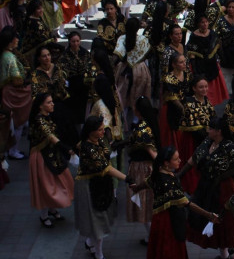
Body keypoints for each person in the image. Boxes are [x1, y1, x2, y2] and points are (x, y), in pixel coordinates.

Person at [129, 146, 220, 259]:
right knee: (170, 251)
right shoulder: (167, 182)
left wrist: (136, 188)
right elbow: (187, 203)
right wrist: (209, 215)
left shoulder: (158, 174)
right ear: (167, 163)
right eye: (176, 159)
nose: (180, 160)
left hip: (159, 219)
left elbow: (146, 183)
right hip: (169, 223)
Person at [176, 117, 234, 259]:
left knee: (223, 221)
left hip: (223, 190)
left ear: (218, 131)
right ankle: (225, 252)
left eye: (210, 128)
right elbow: (194, 158)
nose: (207, 130)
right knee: (207, 218)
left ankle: (226, 254)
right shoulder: (207, 142)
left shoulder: (229, 147)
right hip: (205, 188)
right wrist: (179, 174)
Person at [75, 115, 133, 259]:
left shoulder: (99, 140)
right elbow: (106, 168)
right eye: (100, 129)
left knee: (100, 219)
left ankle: (90, 242)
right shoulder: (87, 148)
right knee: (98, 220)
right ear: (91, 131)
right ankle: (98, 253)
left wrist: (122, 143)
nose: (103, 131)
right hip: (90, 187)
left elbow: (108, 151)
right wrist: (126, 178)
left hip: (102, 185)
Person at [28, 93, 75, 228]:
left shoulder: (48, 117)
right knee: (46, 186)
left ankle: (52, 209)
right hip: (41, 157)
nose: (52, 104)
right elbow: (50, 136)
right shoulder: (39, 120)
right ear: (41, 106)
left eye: (52, 101)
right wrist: (67, 149)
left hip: (52, 154)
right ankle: (44, 215)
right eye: (49, 102)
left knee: (55, 182)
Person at [125, 96, 158, 244]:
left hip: (142, 170)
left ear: (137, 111)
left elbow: (153, 154)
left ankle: (152, 237)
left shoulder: (142, 129)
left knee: (144, 205)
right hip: (149, 168)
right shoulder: (152, 122)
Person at [30, 46, 78, 147]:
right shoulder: (35, 75)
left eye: (48, 55)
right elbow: (36, 94)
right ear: (39, 58)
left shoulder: (57, 68)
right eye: (44, 56)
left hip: (60, 104)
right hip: (46, 108)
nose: (47, 58)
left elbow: (63, 87)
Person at [113, 17, 152, 131]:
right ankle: (136, 121)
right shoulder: (143, 39)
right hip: (140, 70)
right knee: (139, 95)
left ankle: (122, 123)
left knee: (122, 96)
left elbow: (117, 56)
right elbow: (148, 54)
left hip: (123, 70)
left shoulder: (122, 38)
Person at [0, 26, 32, 161]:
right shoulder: (10, 58)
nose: (18, 40)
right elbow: (17, 80)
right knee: (18, 123)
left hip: (6, 92)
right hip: (12, 94)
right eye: (16, 38)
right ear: (11, 41)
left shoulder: (5, 54)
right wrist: (28, 81)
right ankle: (13, 150)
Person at [186, 12, 229, 106]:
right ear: (198, 24)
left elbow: (218, 47)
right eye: (202, 22)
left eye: (206, 22)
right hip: (199, 65)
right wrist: (195, 71)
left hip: (212, 64)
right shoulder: (194, 36)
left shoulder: (212, 34)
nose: (204, 24)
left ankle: (211, 106)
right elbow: (192, 53)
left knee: (213, 89)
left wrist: (222, 59)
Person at [57, 31, 90, 128]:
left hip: (83, 85)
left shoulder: (84, 52)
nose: (75, 43)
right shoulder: (64, 55)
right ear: (69, 42)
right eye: (73, 41)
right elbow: (61, 72)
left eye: (77, 41)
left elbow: (90, 66)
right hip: (71, 86)